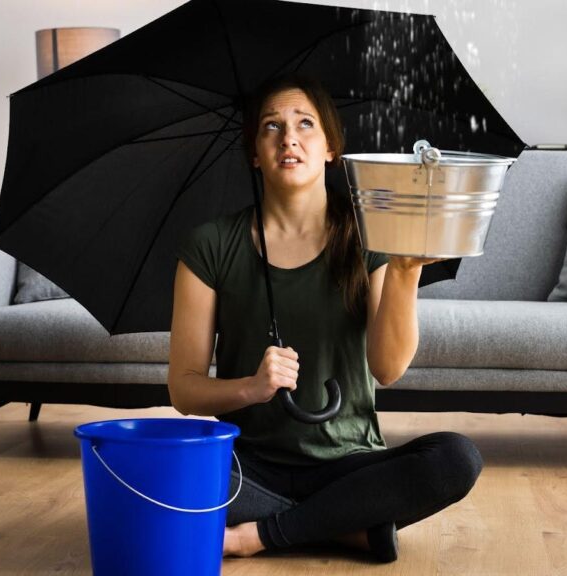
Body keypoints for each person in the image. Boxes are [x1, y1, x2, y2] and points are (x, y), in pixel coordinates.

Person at [168, 73, 482, 563]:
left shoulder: (371, 233)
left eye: (304, 123)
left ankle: (261, 535)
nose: (288, 137)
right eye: (270, 126)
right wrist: (250, 387)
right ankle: (344, 524)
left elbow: (388, 368)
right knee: (163, 469)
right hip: (246, 466)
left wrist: (403, 271)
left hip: (350, 464)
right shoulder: (210, 245)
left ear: (331, 148)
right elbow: (183, 390)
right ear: (254, 152)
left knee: (456, 459)